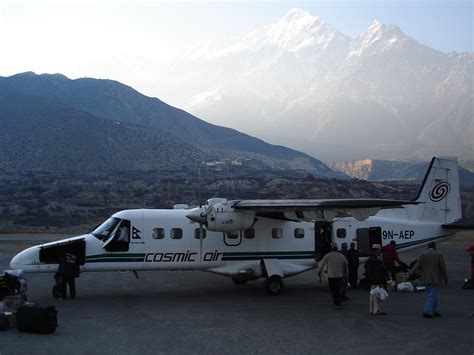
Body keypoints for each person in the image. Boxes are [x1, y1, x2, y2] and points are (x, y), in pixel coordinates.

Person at [409, 242, 448, 318]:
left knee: (431, 294)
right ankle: (427, 311)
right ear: (435, 247)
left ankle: (435, 310)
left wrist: (410, 274)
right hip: (435, 279)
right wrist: (445, 278)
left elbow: (416, 266)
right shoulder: (439, 255)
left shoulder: (422, 255)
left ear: (428, 247)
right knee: (432, 295)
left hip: (425, 279)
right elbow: (443, 268)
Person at [318, 243, 348, 309]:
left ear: (331, 248)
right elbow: (345, 264)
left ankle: (336, 300)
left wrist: (319, 271)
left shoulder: (328, 255)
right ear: (337, 248)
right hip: (339, 275)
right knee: (338, 288)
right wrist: (344, 272)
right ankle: (337, 300)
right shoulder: (341, 256)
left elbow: (322, 264)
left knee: (333, 289)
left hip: (331, 275)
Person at [365, 244, 387, 315]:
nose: (380, 251)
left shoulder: (370, 259)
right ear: (375, 251)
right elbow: (380, 271)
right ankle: (377, 310)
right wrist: (381, 281)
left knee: (372, 296)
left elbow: (366, 268)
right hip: (376, 281)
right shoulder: (376, 260)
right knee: (377, 296)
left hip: (372, 281)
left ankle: (372, 310)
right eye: (379, 250)